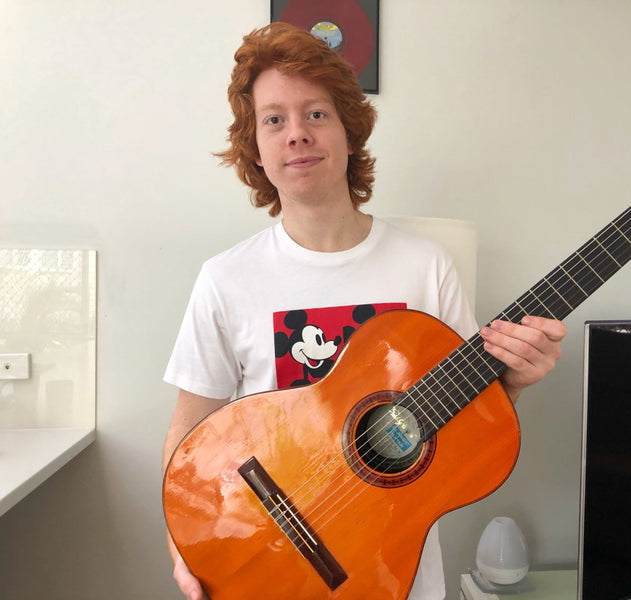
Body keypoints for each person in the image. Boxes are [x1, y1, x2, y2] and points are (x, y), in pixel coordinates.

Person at [162, 22, 566, 600]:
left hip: (391, 573)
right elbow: (187, 431)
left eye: (316, 114)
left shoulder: (427, 266)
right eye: (274, 119)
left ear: (349, 132)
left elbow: (465, 424)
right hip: (261, 558)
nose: (296, 133)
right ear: (256, 146)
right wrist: (183, 548)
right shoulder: (225, 279)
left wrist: (515, 382)